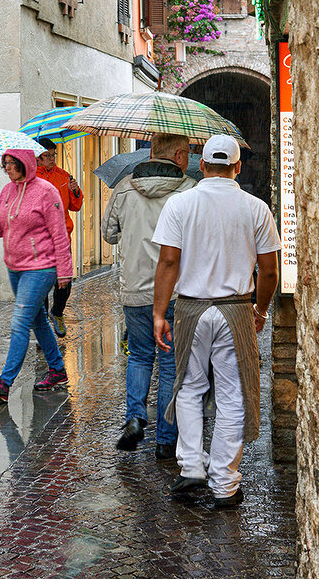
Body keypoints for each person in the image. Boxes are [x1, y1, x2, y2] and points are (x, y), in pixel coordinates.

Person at [150, 134, 280, 510]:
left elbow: (168, 263)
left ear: (202, 165)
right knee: (233, 395)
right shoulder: (255, 208)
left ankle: (191, 466)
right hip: (236, 307)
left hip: (191, 307)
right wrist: (261, 310)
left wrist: (160, 313)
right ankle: (224, 483)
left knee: (188, 388)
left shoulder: (180, 204)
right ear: (238, 167)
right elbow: (268, 270)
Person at [102, 134, 195, 457]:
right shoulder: (189, 190)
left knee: (140, 356)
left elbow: (108, 233)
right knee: (170, 364)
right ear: (179, 155)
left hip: (135, 290)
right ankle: (167, 440)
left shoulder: (125, 187)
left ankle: (135, 417)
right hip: (176, 291)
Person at [0, 149, 73, 401]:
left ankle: (4, 383)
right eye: (5, 164)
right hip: (15, 267)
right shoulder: (8, 191)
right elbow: (2, 229)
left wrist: (64, 271)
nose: (7, 168)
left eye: (11, 164)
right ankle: (58, 370)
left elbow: (59, 234)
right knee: (37, 319)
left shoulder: (46, 191)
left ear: (24, 163)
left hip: (41, 267)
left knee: (19, 322)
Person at [35, 138, 82, 337]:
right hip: (39, 239)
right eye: (47, 156)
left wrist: (75, 190)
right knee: (42, 285)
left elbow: (76, 206)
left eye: (53, 154)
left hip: (63, 237)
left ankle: (57, 312)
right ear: (37, 158)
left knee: (65, 281)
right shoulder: (30, 178)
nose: (51, 159)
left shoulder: (63, 176)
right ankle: (44, 324)